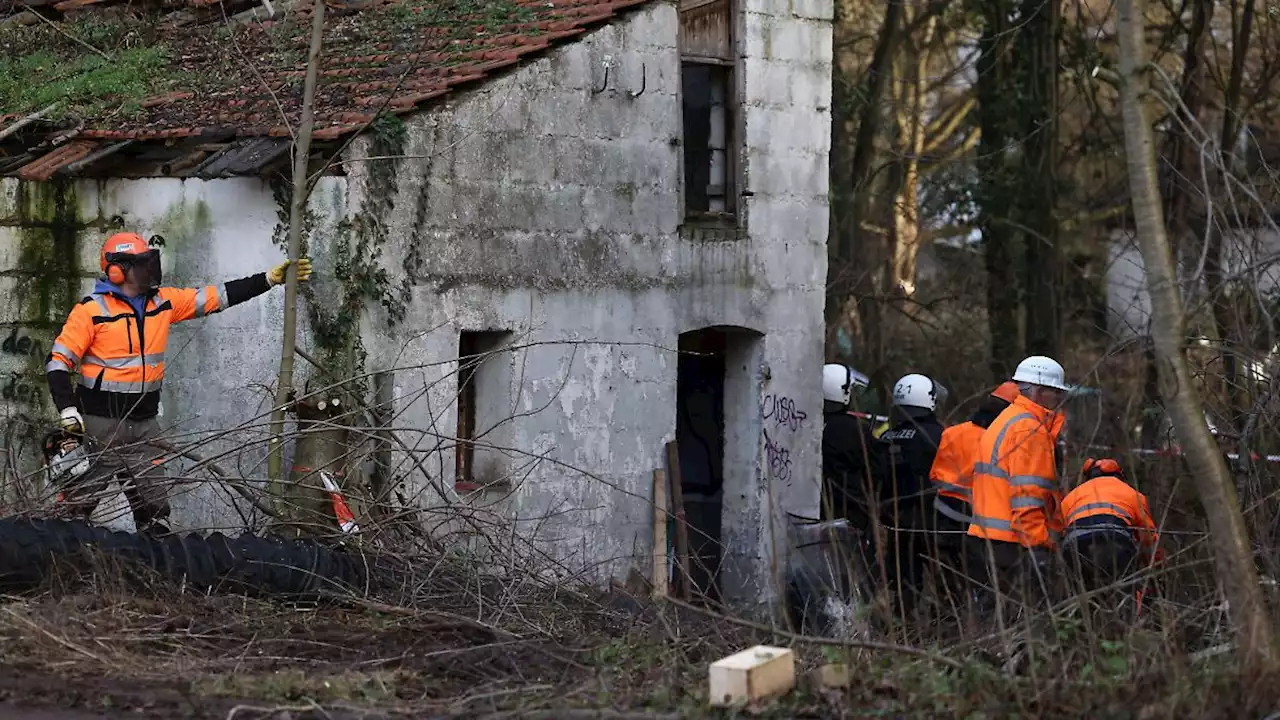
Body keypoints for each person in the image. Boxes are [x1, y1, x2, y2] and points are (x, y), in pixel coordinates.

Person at [45, 232, 313, 535]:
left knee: (154, 510)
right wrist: (67, 409)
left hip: (144, 426)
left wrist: (267, 279)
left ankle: (152, 572)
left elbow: (215, 297)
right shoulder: (91, 311)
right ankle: (62, 567)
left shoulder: (162, 302)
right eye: (141, 263)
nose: (150, 269)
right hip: (99, 427)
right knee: (76, 510)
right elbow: (58, 360)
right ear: (117, 270)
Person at [967, 355, 1072, 613]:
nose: (1058, 399)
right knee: (1027, 622)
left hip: (990, 539)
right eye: (1055, 392)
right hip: (1016, 543)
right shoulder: (1029, 429)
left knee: (994, 620)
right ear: (1038, 392)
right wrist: (1042, 545)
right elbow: (1027, 498)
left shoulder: (1008, 419)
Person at [928, 381, 1020, 604]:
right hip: (979, 521)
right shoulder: (1003, 441)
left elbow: (936, 475)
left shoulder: (953, 432)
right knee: (982, 583)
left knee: (949, 584)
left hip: (942, 515)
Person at [876, 373, 946, 621]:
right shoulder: (938, 436)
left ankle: (902, 625)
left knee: (904, 579)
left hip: (895, 519)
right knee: (943, 578)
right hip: (932, 519)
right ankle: (945, 625)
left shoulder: (886, 436)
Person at [1061, 457, 1163, 596]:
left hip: (1075, 547)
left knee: (1083, 597)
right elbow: (1149, 539)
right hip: (1114, 542)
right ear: (1119, 475)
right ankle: (1126, 612)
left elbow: (1059, 531)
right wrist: (1158, 569)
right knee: (1124, 594)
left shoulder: (1070, 497)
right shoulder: (1132, 494)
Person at [820, 363, 878, 528]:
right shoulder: (855, 429)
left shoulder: (806, 422)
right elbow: (876, 470)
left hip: (812, 509)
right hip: (848, 515)